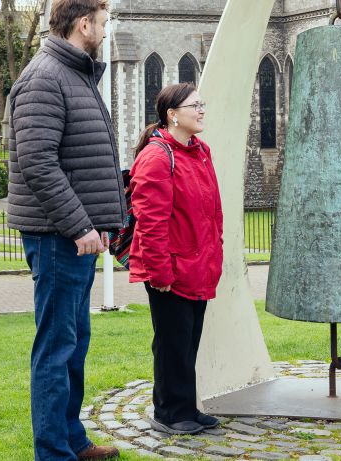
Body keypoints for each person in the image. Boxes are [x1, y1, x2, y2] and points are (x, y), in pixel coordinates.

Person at [7, 0, 124, 461]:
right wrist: (80, 227)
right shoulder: (45, 78)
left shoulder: (73, 75)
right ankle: (53, 452)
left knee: (73, 344)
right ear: (83, 26)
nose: (104, 30)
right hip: (59, 238)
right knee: (56, 349)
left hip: (76, 239)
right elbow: (38, 163)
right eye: (101, 22)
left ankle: (72, 440)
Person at [127, 83, 224, 436]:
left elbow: (212, 211)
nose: (201, 111)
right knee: (171, 343)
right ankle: (168, 412)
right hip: (171, 269)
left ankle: (186, 407)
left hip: (198, 265)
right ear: (172, 114)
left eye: (202, 104)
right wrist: (159, 271)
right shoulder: (156, 157)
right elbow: (150, 222)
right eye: (194, 105)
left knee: (188, 342)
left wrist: (216, 250)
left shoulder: (200, 152)